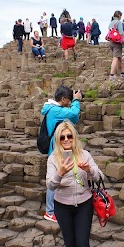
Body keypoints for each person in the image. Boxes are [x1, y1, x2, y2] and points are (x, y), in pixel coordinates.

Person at [46, 120, 102, 247]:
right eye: (62, 137)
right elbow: (50, 185)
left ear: (74, 137)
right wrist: (60, 172)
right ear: (58, 139)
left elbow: (100, 176)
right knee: (69, 243)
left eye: (69, 136)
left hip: (84, 204)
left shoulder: (84, 155)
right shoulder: (53, 159)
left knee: (82, 243)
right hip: (62, 205)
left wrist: (89, 170)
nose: (66, 139)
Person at [41, 86, 82, 222]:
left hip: (58, 148)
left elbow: (74, 119)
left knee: (59, 178)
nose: (70, 102)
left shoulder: (56, 110)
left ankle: (58, 208)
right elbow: (74, 114)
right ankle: (50, 211)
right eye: (69, 100)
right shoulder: (55, 110)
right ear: (63, 99)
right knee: (54, 179)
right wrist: (77, 100)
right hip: (55, 150)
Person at [107, 11, 124, 80]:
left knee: (119, 57)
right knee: (115, 58)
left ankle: (122, 73)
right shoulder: (118, 22)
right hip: (117, 42)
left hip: (111, 42)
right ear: (119, 15)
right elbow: (121, 33)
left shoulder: (111, 22)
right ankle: (111, 74)